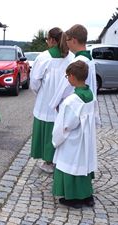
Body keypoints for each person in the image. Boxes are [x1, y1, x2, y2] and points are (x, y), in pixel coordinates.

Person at [52, 60, 98, 208]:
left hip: (73, 140)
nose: (67, 79)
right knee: (83, 164)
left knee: (69, 165)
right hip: (86, 139)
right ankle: (87, 196)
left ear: (72, 76)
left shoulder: (71, 101)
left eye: (67, 76)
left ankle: (73, 198)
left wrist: (56, 139)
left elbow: (66, 125)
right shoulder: (90, 94)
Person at [30, 27, 74, 173]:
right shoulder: (71, 57)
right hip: (65, 102)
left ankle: (48, 162)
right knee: (61, 129)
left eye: (47, 39)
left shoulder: (43, 57)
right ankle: (60, 161)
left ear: (52, 40)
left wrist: (40, 94)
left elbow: (35, 82)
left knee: (47, 130)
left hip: (46, 102)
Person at [49, 24, 98, 112]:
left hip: (75, 109)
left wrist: (55, 103)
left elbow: (64, 88)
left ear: (74, 40)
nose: (66, 43)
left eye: (67, 40)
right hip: (87, 105)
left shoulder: (77, 62)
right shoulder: (90, 59)